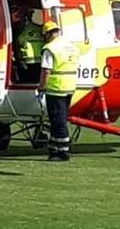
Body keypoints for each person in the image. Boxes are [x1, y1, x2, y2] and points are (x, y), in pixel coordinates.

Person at [37, 21, 80, 162]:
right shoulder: (71, 47)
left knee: (58, 120)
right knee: (60, 118)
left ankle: (63, 151)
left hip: (56, 88)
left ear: (48, 34)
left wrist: (41, 86)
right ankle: (55, 148)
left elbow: (46, 71)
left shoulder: (50, 48)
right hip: (70, 87)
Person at [13, 7, 44, 83]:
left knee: (27, 81)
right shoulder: (39, 29)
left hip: (27, 63)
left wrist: (19, 60)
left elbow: (17, 44)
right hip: (40, 62)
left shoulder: (22, 31)